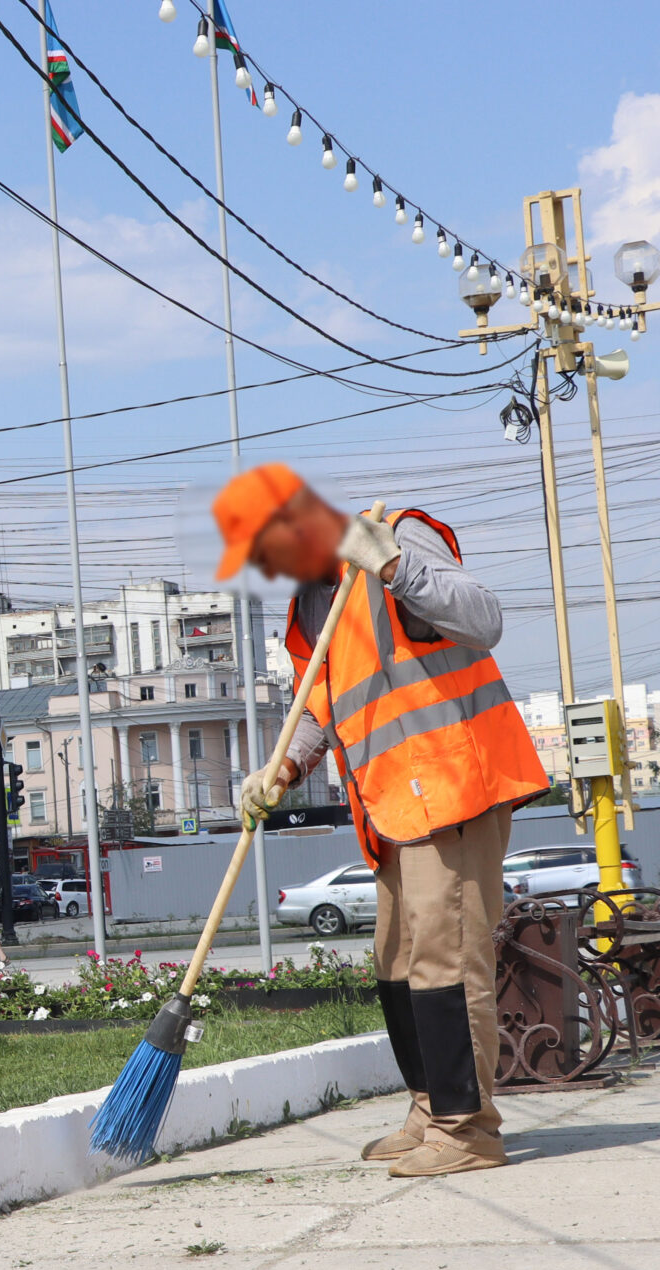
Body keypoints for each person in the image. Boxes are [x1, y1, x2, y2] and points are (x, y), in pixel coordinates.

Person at [215, 464, 547, 1176]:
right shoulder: (314, 605)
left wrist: (393, 565)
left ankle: (468, 1129)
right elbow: (325, 707)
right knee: (396, 961)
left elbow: (483, 618)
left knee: (447, 959)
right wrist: (283, 767)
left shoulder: (394, 540)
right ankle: (430, 1106)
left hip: (453, 787)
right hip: (394, 806)